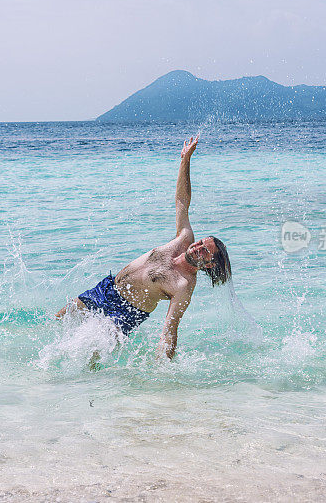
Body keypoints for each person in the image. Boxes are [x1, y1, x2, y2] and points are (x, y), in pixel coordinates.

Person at [55, 135, 231, 359]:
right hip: (107, 289)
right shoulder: (183, 238)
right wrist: (185, 161)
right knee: (59, 320)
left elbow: (170, 329)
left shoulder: (183, 285)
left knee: (92, 358)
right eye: (201, 242)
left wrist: (163, 370)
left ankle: (92, 391)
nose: (197, 246)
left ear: (209, 264)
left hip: (126, 313)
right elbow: (181, 202)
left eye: (205, 250)